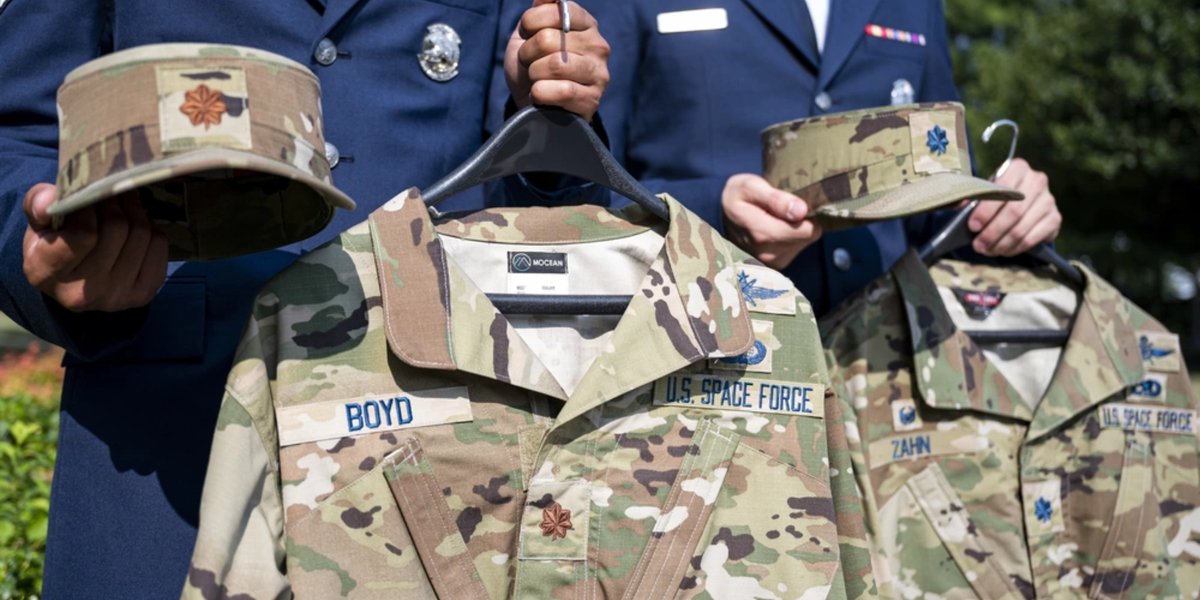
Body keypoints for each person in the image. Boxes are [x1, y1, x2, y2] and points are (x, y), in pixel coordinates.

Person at [0, 0, 609, 597]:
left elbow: (535, 207)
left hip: (425, 460)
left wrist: (548, 118)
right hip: (166, 441)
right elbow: (14, 135)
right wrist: (41, 245)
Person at [590, 0, 1063, 315]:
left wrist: (1007, 215)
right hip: (703, 364)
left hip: (883, 381)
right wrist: (712, 215)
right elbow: (571, 193)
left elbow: (940, 208)